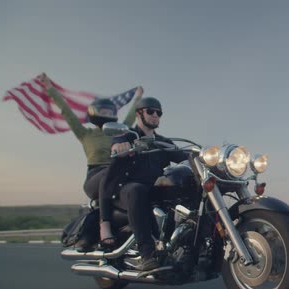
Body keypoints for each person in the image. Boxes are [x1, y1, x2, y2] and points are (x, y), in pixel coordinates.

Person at [39, 73, 143, 248]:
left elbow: (131, 118)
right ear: (94, 113)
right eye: (103, 111)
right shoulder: (85, 133)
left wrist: (138, 98)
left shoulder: (119, 131)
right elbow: (66, 112)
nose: (107, 113)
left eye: (110, 111)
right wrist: (50, 89)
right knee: (110, 175)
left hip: (121, 176)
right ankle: (103, 227)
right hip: (96, 175)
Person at [101, 97, 187, 270]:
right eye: (150, 111)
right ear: (139, 114)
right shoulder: (128, 136)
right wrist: (119, 148)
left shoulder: (163, 142)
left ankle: (184, 245)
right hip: (126, 190)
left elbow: (183, 156)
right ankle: (146, 253)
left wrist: (207, 158)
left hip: (152, 190)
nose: (155, 115)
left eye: (159, 113)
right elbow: (117, 143)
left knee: (186, 187)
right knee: (137, 190)